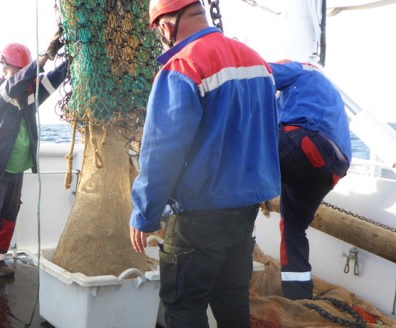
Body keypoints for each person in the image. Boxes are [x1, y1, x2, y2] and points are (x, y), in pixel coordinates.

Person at [129, 0, 281, 327]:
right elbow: (269, 133)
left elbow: (162, 152)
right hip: (245, 211)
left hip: (200, 215)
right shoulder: (257, 63)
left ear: (167, 26)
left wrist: (144, 214)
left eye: (158, 31)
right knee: (231, 301)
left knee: (184, 305)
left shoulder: (182, 66)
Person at [0, 32, 67, 289]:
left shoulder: (30, 92)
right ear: (4, 68)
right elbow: (15, 84)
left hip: (16, 168)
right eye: (12, 69)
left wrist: (70, 58)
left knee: (9, 217)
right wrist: (42, 59)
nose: (14, 73)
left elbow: (52, 80)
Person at [268, 60, 351, 300]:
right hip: (332, 168)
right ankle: (299, 299)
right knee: (293, 228)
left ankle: (230, 274)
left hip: (308, 144)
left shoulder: (303, 69)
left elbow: (257, 74)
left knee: (243, 154)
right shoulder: (325, 96)